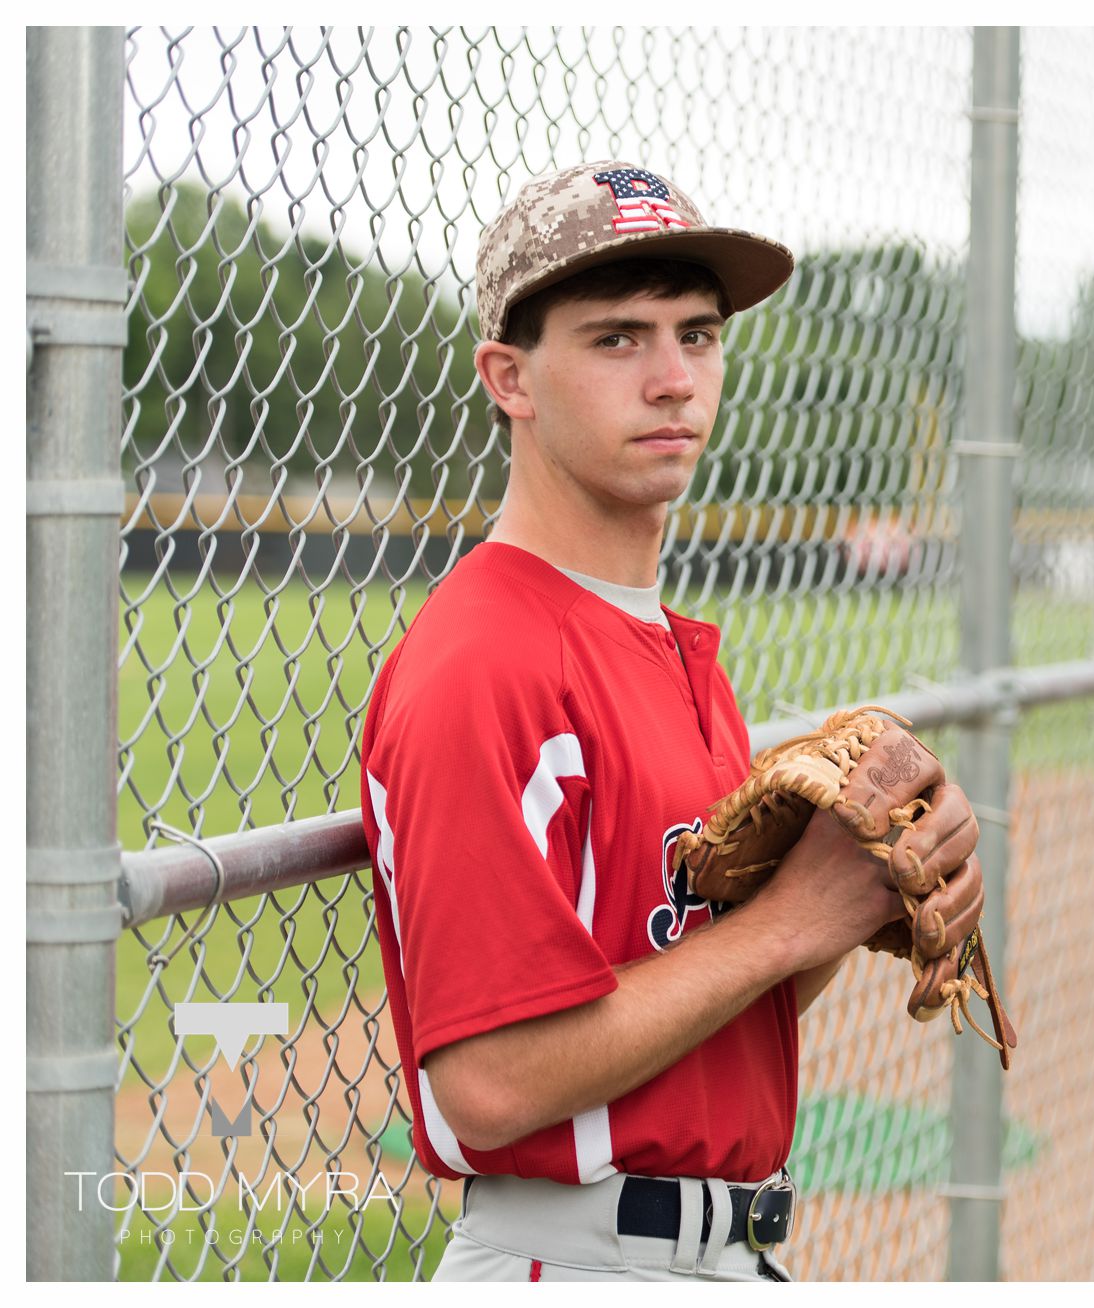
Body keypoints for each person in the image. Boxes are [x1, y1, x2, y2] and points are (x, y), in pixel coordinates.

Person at [356, 161, 985, 1282]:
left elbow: (716, 991)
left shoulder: (670, 649)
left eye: (697, 335)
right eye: (616, 339)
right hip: (578, 1263)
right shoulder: (483, 663)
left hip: (720, 1253)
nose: (672, 380)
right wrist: (794, 918)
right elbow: (491, 1085)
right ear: (510, 377)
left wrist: (856, 891)